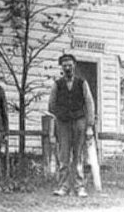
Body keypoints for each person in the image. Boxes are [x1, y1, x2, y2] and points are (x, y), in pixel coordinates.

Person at [48, 54, 95, 197]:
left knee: (78, 156)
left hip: (79, 123)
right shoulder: (57, 84)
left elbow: (89, 104)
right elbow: (51, 105)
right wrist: (62, 114)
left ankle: (79, 187)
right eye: (64, 65)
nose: (67, 68)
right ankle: (63, 186)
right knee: (63, 156)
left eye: (70, 65)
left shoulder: (82, 83)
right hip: (63, 124)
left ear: (74, 65)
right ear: (61, 67)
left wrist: (89, 126)